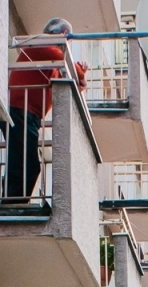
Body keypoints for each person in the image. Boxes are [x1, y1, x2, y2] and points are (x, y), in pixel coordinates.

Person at [5, 17, 87, 201]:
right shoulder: (41, 44)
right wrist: (81, 71)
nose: (67, 42)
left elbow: (74, 84)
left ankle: (13, 202)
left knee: (22, 162)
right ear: (60, 34)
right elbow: (72, 69)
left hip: (27, 115)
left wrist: (80, 77)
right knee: (27, 165)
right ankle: (13, 204)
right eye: (66, 36)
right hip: (19, 111)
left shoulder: (51, 62)